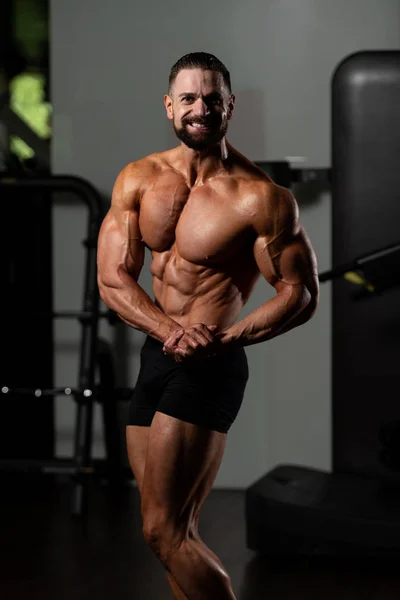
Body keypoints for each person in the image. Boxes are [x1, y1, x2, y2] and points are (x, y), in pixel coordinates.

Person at [97, 52, 319, 600]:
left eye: (212, 98)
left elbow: (301, 293)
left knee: (162, 530)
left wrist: (230, 336)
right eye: (189, 98)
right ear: (170, 105)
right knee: (173, 533)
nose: (200, 109)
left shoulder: (261, 198)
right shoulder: (139, 179)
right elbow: (112, 278)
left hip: (210, 365)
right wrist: (169, 330)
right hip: (159, 355)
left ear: (229, 106)